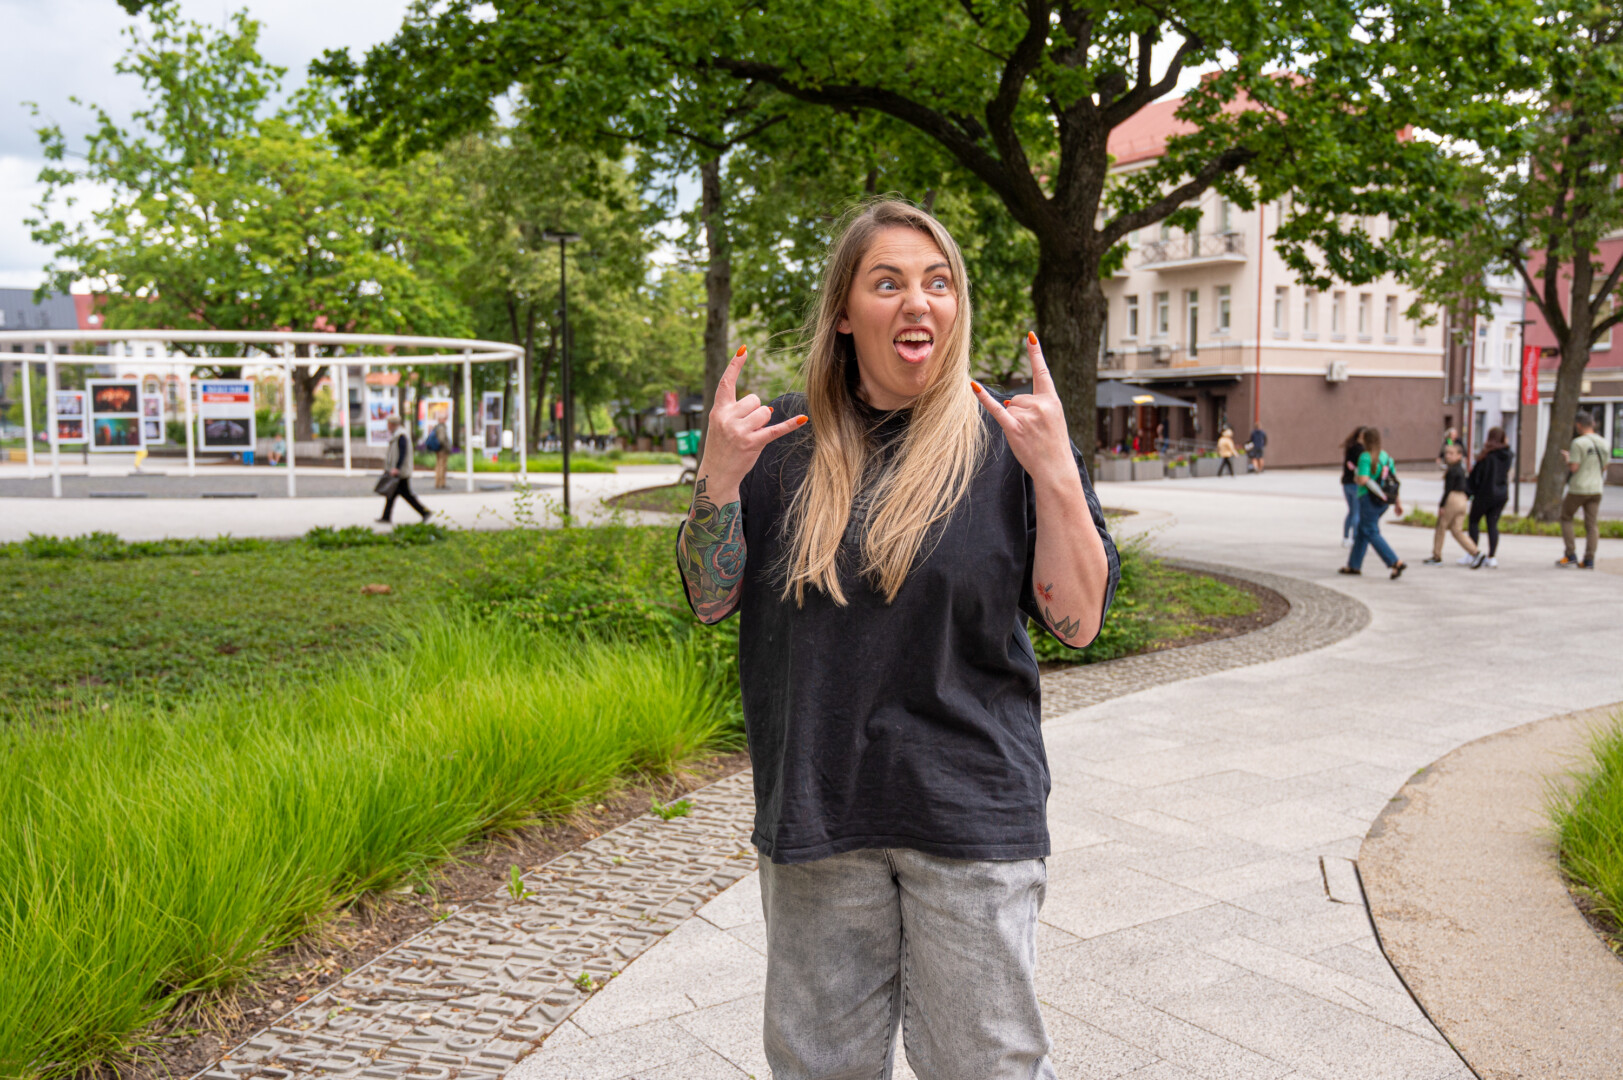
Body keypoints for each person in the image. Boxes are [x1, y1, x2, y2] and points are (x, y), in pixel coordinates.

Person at [675, 200, 1119, 1080]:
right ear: (844, 312)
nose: (918, 301)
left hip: (971, 813)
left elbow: (1078, 621)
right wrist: (718, 479)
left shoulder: (1006, 440)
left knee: (986, 1067)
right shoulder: (780, 444)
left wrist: (1057, 473)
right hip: (817, 811)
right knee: (820, 1069)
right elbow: (709, 597)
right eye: (888, 283)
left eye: (937, 282)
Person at [1341, 424, 1407, 578]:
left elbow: (1363, 479)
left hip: (1368, 500)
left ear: (1365, 439)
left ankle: (1395, 562)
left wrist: (1356, 477)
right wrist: (1398, 503)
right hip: (1383, 501)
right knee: (1362, 532)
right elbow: (1393, 481)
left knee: (1370, 531)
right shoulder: (1387, 458)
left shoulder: (1365, 457)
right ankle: (1354, 565)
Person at [1557, 410, 1608, 569]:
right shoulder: (1604, 443)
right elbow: (1604, 467)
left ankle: (1570, 554)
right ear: (1592, 424)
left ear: (1579, 425)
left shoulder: (1578, 443)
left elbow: (1574, 467)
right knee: (1591, 524)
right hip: (1596, 488)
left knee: (1566, 517)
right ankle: (1589, 559)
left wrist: (1567, 458)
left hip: (1579, 488)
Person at [1423, 443, 1484, 567]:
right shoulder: (1461, 469)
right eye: (1447, 453)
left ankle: (1436, 556)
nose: (1448, 456)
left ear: (1459, 455)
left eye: (1451, 453)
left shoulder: (1452, 470)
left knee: (1441, 526)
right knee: (1457, 530)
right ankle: (1475, 552)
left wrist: (1442, 505)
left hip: (1452, 498)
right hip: (1463, 499)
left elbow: (1448, 489)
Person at [1466, 426, 1513, 568]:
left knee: (1474, 521)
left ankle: (1473, 553)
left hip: (1484, 494)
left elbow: (1477, 476)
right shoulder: (1507, 455)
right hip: (1501, 494)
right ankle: (1491, 556)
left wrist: (1470, 491)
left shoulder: (1486, 456)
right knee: (1492, 524)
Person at [377, 415, 431, 524]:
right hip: (398, 470)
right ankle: (386, 516)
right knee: (392, 494)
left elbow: (402, 453)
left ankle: (425, 512)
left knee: (406, 494)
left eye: (388, 424)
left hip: (401, 471)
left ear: (392, 424)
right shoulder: (397, 435)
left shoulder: (401, 435)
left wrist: (397, 467)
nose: (387, 426)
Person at [1340, 428, 1364, 548]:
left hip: (1346, 483)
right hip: (1355, 483)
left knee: (1351, 511)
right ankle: (1354, 538)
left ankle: (1345, 537)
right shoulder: (1361, 450)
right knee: (1356, 512)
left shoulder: (1350, 447)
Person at [427, 416, 451, 489]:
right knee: (442, 466)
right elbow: (442, 439)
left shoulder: (437, 427)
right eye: (444, 418)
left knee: (439, 465)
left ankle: (438, 483)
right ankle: (441, 483)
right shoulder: (441, 428)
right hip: (442, 450)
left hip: (438, 449)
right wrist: (447, 447)